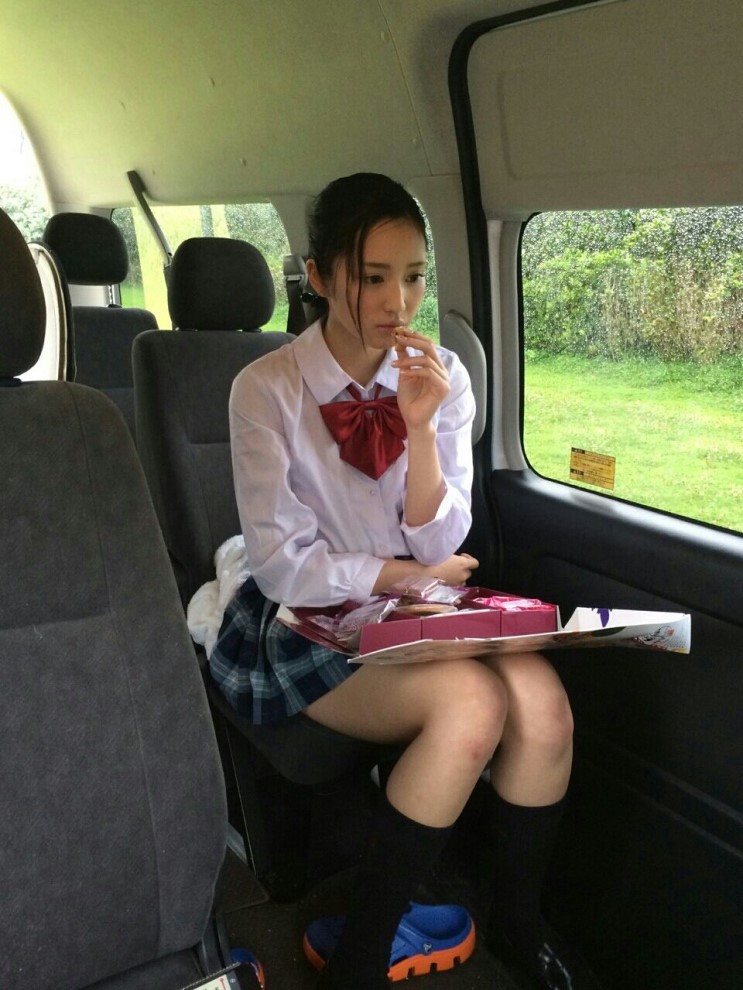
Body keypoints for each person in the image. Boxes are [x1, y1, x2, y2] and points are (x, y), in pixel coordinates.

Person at [211, 173, 578, 990]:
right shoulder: (264, 389)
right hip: (311, 619)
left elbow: (446, 538)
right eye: (371, 277)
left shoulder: (442, 374)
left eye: (412, 276)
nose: (397, 301)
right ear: (317, 276)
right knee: (473, 703)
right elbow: (283, 563)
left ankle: (518, 926)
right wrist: (404, 575)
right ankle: (358, 960)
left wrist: (418, 429)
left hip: (415, 605)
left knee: (543, 702)